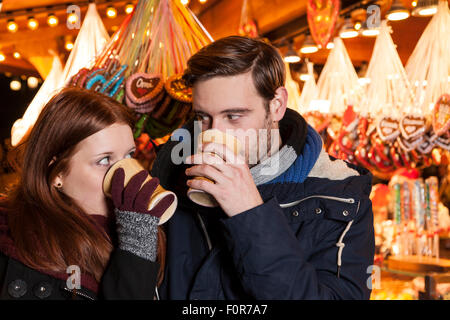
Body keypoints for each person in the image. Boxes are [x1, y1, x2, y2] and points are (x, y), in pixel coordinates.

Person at [152, 36, 375, 300]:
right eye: (203, 117)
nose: (214, 133)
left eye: (233, 116)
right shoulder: (171, 181)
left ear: (277, 105)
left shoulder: (340, 194)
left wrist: (249, 212)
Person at [0, 87, 174, 300]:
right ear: (56, 173)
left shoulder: (136, 231)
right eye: (104, 160)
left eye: (129, 156)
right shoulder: (20, 246)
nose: (123, 175)